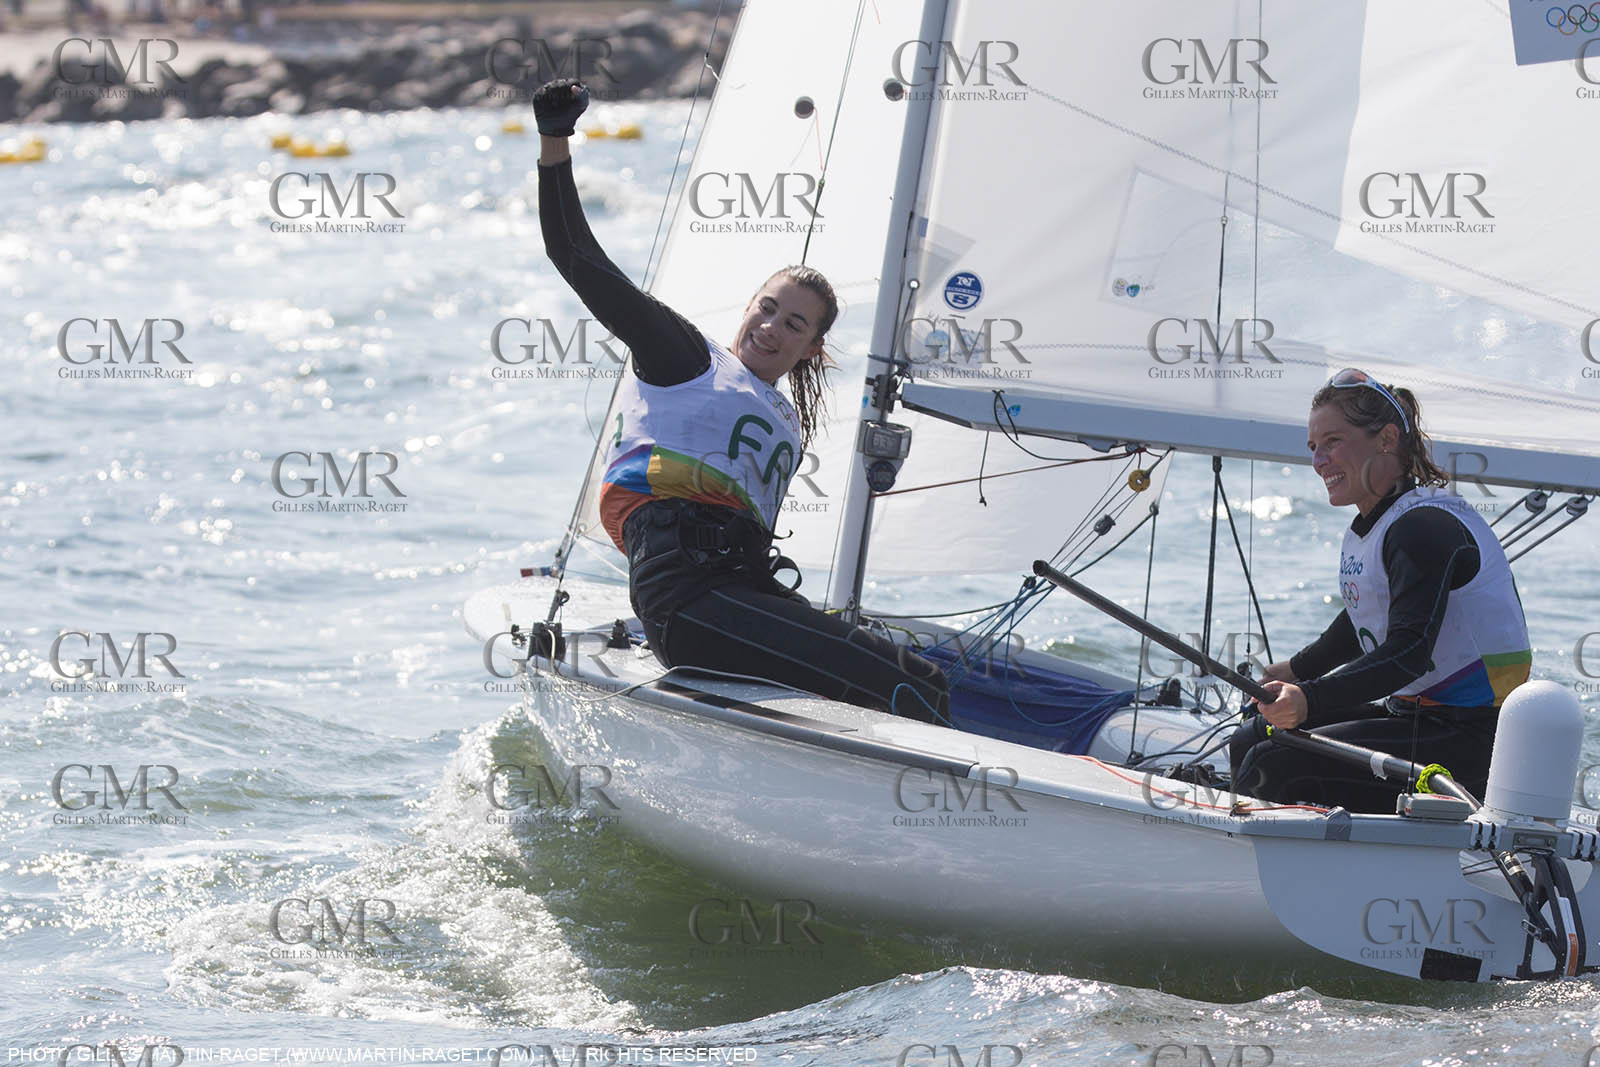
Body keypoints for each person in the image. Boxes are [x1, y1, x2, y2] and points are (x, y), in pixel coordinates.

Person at [533, 78, 950, 724]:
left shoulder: (785, 420)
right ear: (750, 305)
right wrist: (555, 139)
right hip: (685, 602)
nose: (771, 327)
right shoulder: (684, 358)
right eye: (767, 308)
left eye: (794, 324)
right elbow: (578, 258)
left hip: (736, 596)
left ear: (812, 348)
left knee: (918, 675)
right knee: (912, 687)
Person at [1228, 368, 1530, 812]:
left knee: (1271, 764)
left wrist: (1310, 699)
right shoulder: (1385, 521)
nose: (1318, 461)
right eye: (1313, 448)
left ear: (1387, 438)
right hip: (1417, 715)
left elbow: (1408, 653)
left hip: (1473, 738)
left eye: (1332, 442)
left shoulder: (1423, 527)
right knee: (1252, 734)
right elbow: (1367, 614)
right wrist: (1294, 671)